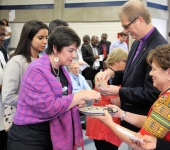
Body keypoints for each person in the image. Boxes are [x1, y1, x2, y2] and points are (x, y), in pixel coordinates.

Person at [7, 26, 101, 150]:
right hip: (29, 137)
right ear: (55, 48)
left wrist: (75, 102)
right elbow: (49, 107)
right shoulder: (36, 70)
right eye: (70, 50)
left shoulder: (61, 68)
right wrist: (80, 95)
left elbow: (62, 97)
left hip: (50, 134)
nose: (74, 55)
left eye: (75, 50)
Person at [95, 44, 170, 149]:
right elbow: (151, 122)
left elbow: (139, 143)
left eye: (154, 69)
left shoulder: (169, 103)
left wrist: (110, 124)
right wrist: (121, 114)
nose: (150, 73)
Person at [97, 0, 168, 134]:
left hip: (144, 120)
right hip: (131, 118)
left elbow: (152, 92)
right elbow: (133, 74)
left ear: (140, 20)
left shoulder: (159, 47)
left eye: (126, 26)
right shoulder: (137, 43)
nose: (125, 31)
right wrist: (112, 73)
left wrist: (119, 92)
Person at [2, 20, 48, 131]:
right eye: (40, 38)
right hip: (19, 122)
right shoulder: (17, 61)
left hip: (39, 120)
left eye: (46, 37)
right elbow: (8, 96)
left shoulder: (43, 61)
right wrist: (37, 101)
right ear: (28, 37)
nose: (45, 42)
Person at [86, 48, 128, 150]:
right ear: (116, 62)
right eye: (125, 61)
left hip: (109, 119)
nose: (127, 64)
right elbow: (117, 102)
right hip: (103, 121)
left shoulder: (113, 76)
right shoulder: (102, 76)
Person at [0, 20, 7, 150]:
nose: (3, 37)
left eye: (4, 33)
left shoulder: (2, 51)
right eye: (1, 34)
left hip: (3, 108)